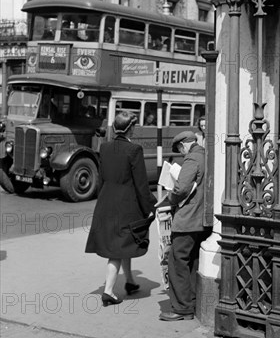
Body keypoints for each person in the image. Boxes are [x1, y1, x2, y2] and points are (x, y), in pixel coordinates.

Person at [85, 110, 157, 306]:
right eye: (134, 126)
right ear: (130, 128)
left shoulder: (105, 148)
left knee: (124, 243)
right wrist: (150, 206)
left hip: (107, 203)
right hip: (126, 206)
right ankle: (108, 292)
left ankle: (131, 281)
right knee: (117, 249)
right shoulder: (134, 150)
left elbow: (102, 179)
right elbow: (141, 185)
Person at [159, 131, 211, 321]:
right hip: (202, 220)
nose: (181, 154)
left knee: (177, 262)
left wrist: (170, 198)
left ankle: (182, 308)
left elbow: (181, 188)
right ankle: (192, 302)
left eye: (180, 150)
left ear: (184, 145)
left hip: (187, 220)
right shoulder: (207, 156)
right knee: (193, 262)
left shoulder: (191, 160)